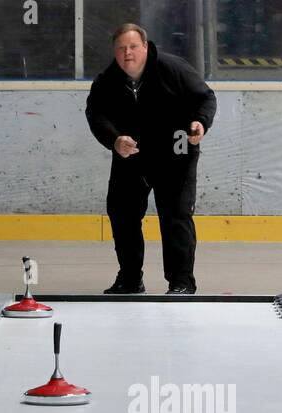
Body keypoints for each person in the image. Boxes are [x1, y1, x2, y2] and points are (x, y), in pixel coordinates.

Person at [85, 23, 216, 295]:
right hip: (131, 156)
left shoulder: (172, 69)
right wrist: (114, 139)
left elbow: (206, 98)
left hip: (176, 154)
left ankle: (181, 283)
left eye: (133, 46)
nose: (127, 53)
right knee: (122, 214)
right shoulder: (107, 80)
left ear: (145, 47)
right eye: (121, 48)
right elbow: (96, 114)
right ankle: (131, 279)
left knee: (175, 216)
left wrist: (200, 123)